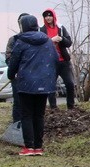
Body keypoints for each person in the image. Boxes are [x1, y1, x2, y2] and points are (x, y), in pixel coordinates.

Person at [7, 14, 58, 155]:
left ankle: (29, 147)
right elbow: (55, 59)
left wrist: (11, 75)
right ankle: (38, 147)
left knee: (27, 115)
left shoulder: (21, 41)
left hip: (26, 83)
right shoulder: (47, 40)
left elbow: (14, 62)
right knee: (39, 115)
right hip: (44, 83)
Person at [40, 8, 75, 110]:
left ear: (54, 16)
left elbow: (69, 42)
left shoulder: (60, 28)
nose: (48, 18)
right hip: (50, 62)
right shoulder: (41, 30)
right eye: (46, 16)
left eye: (50, 15)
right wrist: (51, 40)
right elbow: (41, 45)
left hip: (63, 61)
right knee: (51, 85)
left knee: (70, 83)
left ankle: (71, 106)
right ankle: (53, 108)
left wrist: (61, 39)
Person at [5, 13, 31, 124]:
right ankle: (17, 124)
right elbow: (8, 57)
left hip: (32, 76)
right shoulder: (14, 40)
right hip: (17, 76)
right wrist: (14, 70)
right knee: (18, 101)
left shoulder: (36, 39)